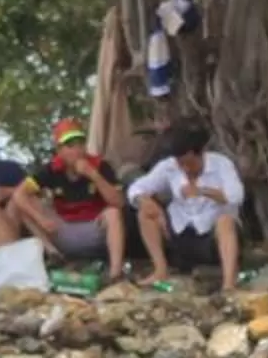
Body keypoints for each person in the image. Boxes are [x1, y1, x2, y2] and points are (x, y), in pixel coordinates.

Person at [128, 127, 246, 293]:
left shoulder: (221, 164)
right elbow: (137, 188)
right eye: (181, 164)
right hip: (180, 229)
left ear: (200, 154)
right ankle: (160, 270)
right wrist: (145, 201)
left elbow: (236, 196)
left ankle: (228, 283)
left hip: (212, 234)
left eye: (190, 163)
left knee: (225, 220)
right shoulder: (169, 167)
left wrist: (203, 191)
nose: (186, 168)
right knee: (145, 214)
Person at [16, 119, 127, 279]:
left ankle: (115, 273)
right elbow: (19, 194)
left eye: (80, 143)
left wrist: (94, 175)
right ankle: (53, 255)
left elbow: (119, 202)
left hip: (93, 228)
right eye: (70, 146)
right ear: (59, 150)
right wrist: (40, 219)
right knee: (24, 206)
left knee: (113, 213)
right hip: (63, 228)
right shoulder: (51, 169)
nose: (77, 150)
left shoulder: (100, 165)